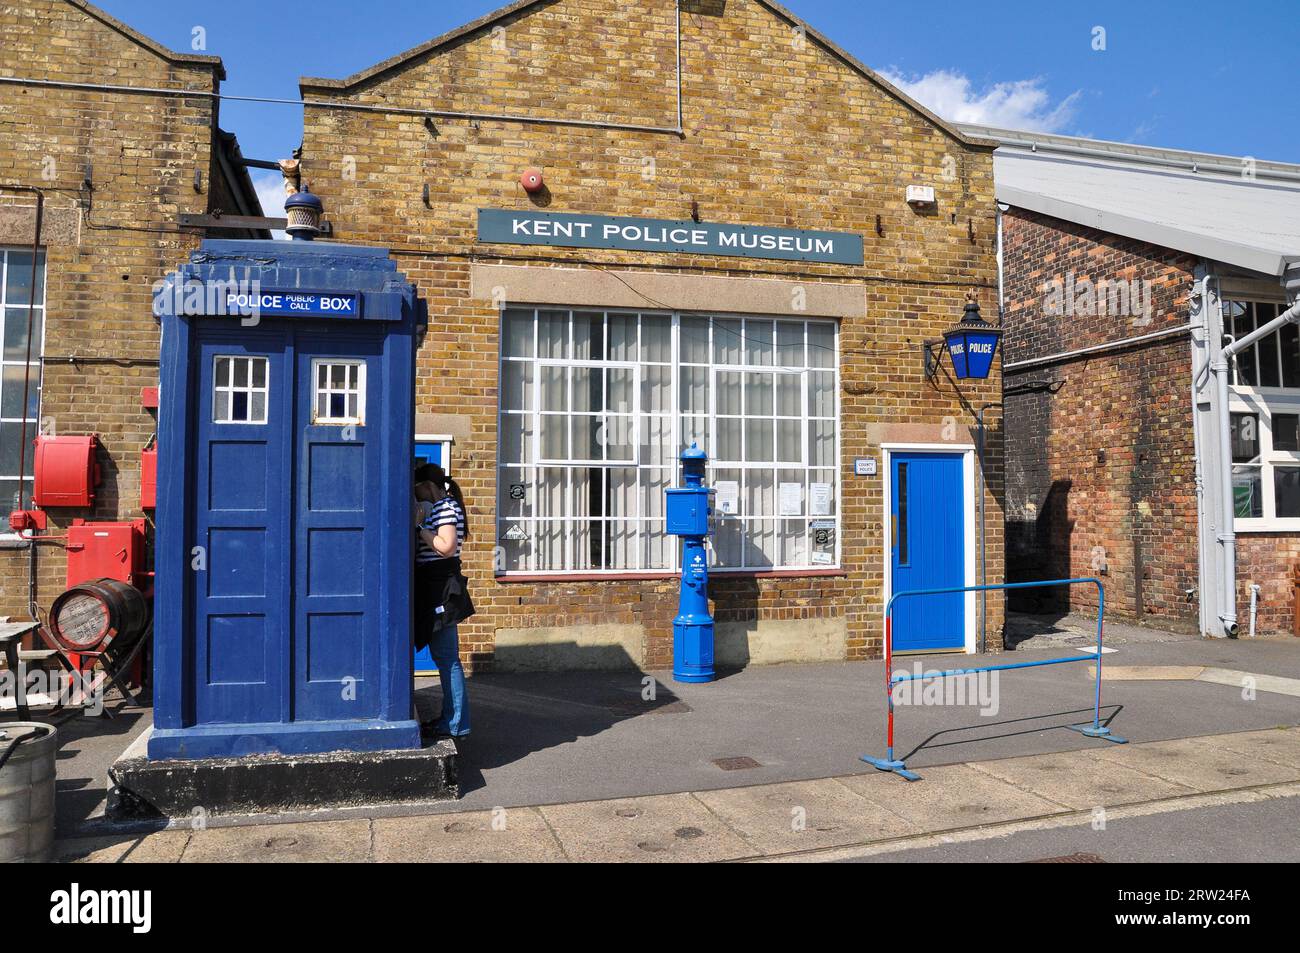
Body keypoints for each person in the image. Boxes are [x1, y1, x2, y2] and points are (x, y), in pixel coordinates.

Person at [413, 464, 473, 737]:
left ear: (427, 485)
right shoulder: (439, 508)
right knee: (443, 656)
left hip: (442, 587)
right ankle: (451, 720)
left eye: (417, 488)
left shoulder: (446, 507)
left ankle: (455, 723)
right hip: (434, 586)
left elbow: (446, 547)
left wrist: (419, 527)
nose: (416, 493)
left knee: (448, 659)